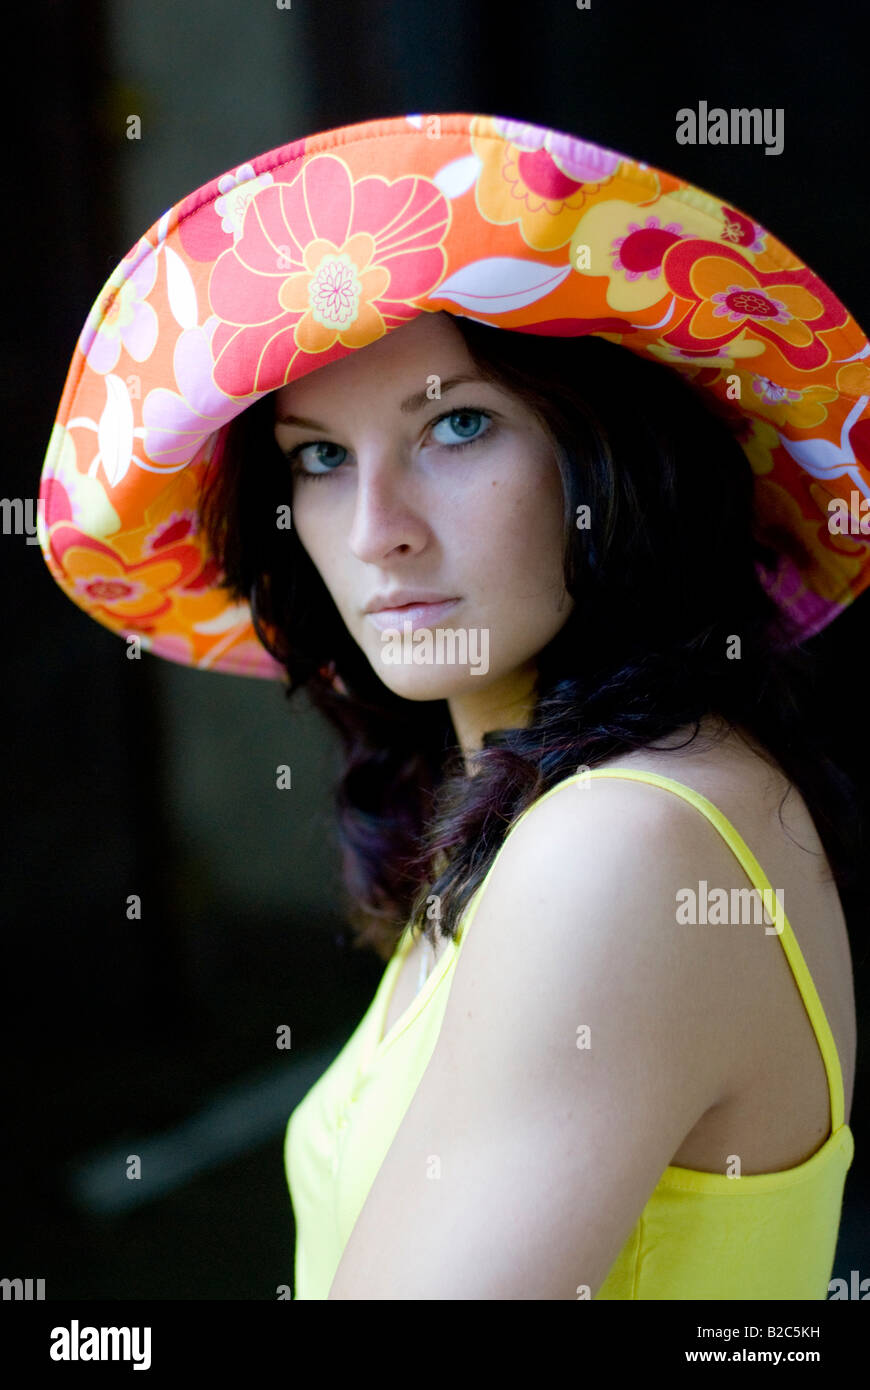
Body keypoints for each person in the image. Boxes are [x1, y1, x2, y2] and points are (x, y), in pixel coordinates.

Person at [38, 112, 867, 1300]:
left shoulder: (627, 842)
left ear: (615, 459)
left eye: (456, 425)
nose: (378, 529)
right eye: (319, 457)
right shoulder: (546, 807)